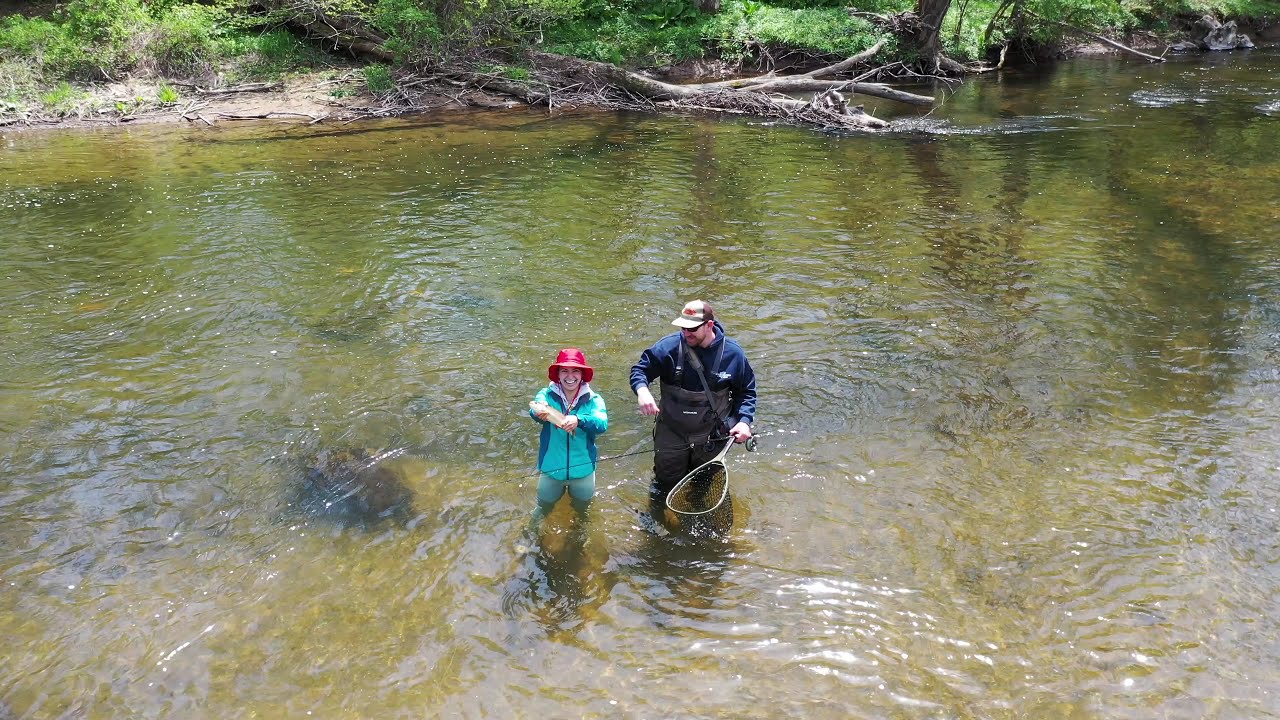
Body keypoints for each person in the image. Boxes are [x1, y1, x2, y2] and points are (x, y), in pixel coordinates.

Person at [630, 299, 756, 510]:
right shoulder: (668, 347)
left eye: (692, 328)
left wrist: (744, 422)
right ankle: (659, 529)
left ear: (709, 325)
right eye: (683, 327)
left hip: (712, 436)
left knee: (702, 488)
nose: (686, 333)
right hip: (672, 433)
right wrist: (642, 391)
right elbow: (640, 370)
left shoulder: (733, 354)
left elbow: (747, 392)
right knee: (663, 486)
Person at [529, 348, 609, 516]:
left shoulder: (594, 400)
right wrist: (538, 413)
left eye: (575, 371)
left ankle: (580, 541)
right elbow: (535, 407)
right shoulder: (546, 395)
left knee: (583, 513)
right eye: (564, 371)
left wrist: (579, 420)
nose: (570, 376)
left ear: (582, 375)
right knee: (542, 510)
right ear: (558, 374)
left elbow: (602, 424)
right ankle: (531, 538)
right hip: (551, 469)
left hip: (583, 471)